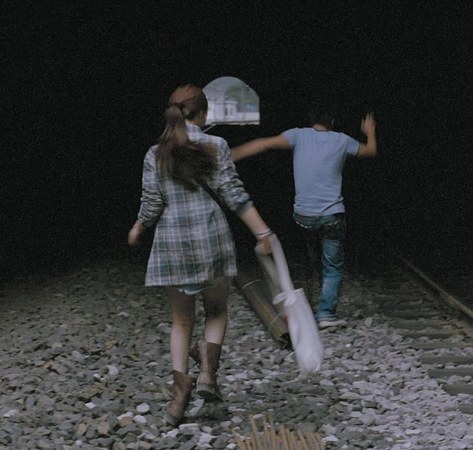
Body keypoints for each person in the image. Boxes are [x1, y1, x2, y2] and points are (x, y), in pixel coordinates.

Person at [128, 84, 274, 426]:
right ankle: (208, 372)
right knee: (217, 310)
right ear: (203, 113)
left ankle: (178, 398)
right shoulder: (216, 145)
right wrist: (262, 232)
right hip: (211, 240)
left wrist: (137, 228)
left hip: (174, 243)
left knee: (181, 321)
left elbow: (152, 203)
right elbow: (234, 194)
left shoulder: (155, 153)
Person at [231, 103, 377, 329]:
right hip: (332, 215)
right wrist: (370, 132)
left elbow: (264, 143)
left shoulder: (298, 136)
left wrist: (230, 155)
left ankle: (316, 271)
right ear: (333, 121)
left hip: (304, 216)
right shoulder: (342, 140)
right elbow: (371, 151)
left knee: (314, 250)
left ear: (311, 119)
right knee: (333, 266)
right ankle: (326, 313)